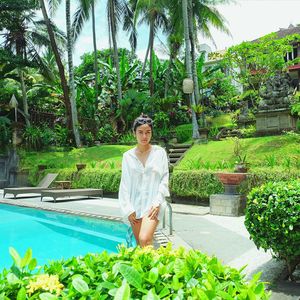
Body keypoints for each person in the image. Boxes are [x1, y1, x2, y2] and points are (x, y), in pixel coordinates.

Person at [118, 113, 170, 247]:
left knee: (144, 238)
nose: (144, 136)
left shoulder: (159, 153)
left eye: (148, 132)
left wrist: (157, 202)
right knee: (142, 245)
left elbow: (164, 178)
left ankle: (159, 267)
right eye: (140, 132)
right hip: (134, 206)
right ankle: (156, 267)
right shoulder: (127, 156)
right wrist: (128, 209)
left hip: (153, 205)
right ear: (134, 133)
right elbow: (124, 184)